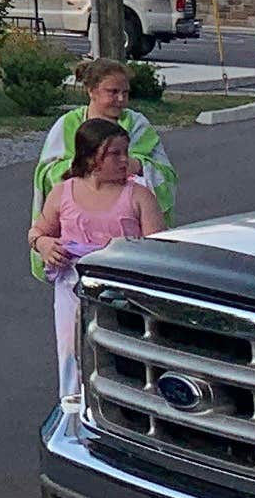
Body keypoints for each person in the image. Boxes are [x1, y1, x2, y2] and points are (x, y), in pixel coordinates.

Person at [30, 113, 165, 398]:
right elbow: (37, 232)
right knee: (73, 352)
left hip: (125, 292)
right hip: (73, 289)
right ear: (91, 159)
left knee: (123, 355)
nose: (123, 160)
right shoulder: (63, 192)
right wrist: (44, 245)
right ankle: (74, 408)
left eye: (125, 153)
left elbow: (158, 250)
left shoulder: (139, 196)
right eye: (114, 154)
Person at [27, 61, 174, 271]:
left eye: (125, 92)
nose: (121, 99)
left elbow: (165, 174)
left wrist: (140, 166)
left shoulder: (138, 125)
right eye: (113, 92)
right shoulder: (67, 125)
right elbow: (46, 172)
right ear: (91, 91)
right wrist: (85, 168)